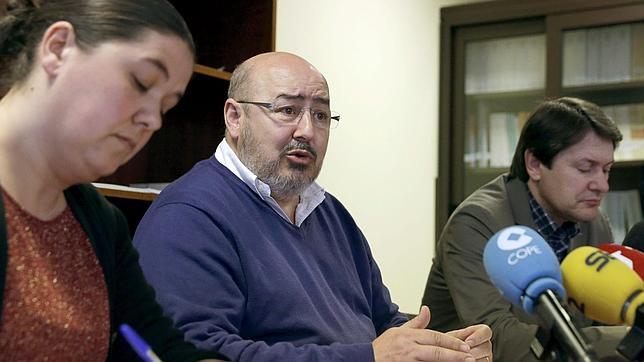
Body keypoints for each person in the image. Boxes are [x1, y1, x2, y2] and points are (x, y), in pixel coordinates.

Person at [133, 51, 493, 362]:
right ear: (234, 117)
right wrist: (368, 357)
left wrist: (445, 348)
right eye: (287, 110)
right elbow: (200, 352)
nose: (306, 130)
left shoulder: (329, 213)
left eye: (321, 115)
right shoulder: (187, 216)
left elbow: (382, 322)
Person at [0, 0, 226, 360]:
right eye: (141, 83)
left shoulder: (100, 221)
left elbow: (159, 345)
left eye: (166, 106)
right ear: (58, 48)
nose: (153, 120)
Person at [422, 97, 627, 361]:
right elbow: (498, 338)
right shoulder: (476, 222)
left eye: (606, 170)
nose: (602, 185)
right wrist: (623, 337)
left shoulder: (595, 223)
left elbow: (604, 317)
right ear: (534, 164)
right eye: (586, 168)